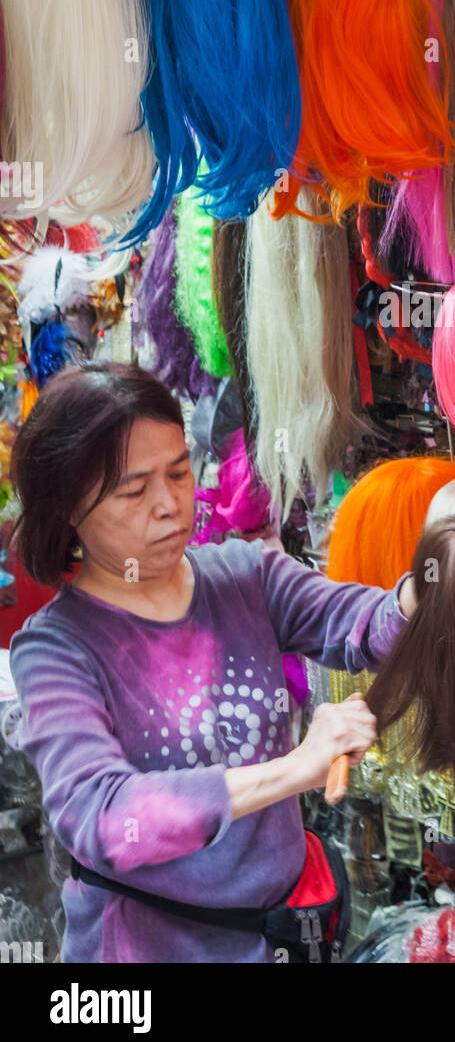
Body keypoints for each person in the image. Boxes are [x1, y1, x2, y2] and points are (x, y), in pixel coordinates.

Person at [9, 361, 417, 963]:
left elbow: (365, 628)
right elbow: (101, 814)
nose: (171, 505)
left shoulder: (243, 575)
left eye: (179, 473)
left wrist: (421, 592)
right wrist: (299, 768)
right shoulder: (57, 649)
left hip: (276, 934)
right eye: (133, 490)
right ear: (70, 507)